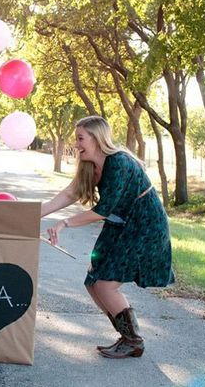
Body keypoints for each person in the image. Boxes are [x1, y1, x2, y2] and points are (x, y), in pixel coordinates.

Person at [42, 115, 174, 359]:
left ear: (97, 138)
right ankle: (126, 337)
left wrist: (64, 223)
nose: (77, 143)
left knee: (105, 284)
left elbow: (103, 210)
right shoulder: (90, 165)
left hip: (143, 226)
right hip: (121, 225)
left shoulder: (118, 162)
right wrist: (37, 213)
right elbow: (71, 193)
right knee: (93, 283)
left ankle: (134, 341)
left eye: (81, 138)